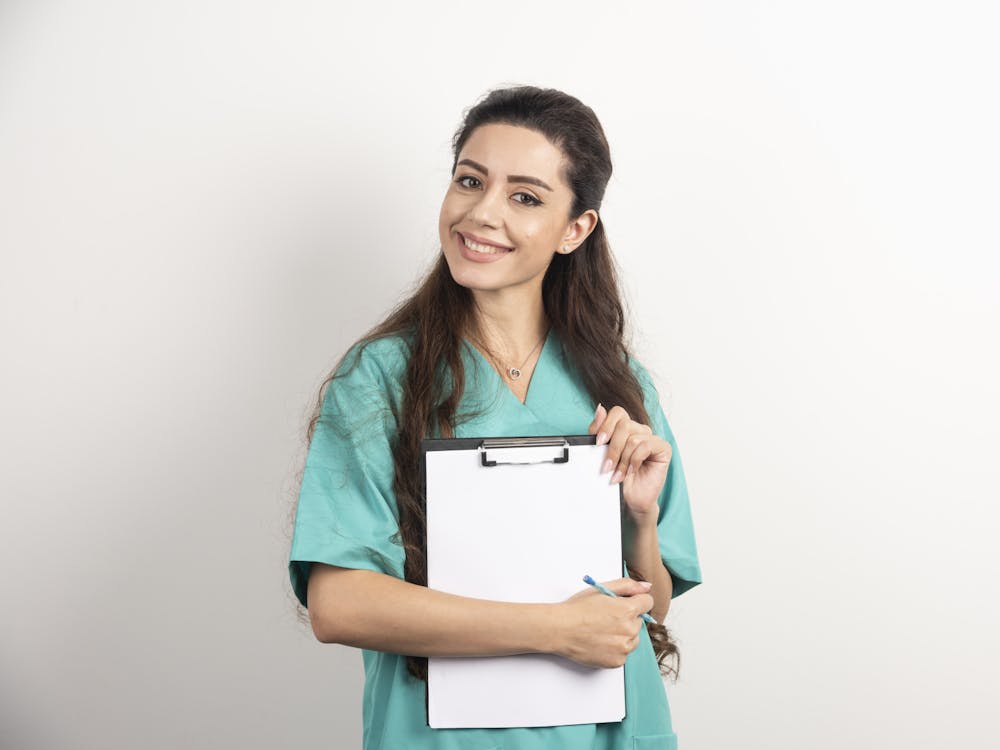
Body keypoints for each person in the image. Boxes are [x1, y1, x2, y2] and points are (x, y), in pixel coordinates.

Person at [288, 85, 702, 749]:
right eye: (469, 181)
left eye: (525, 196)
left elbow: (647, 604)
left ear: (576, 229)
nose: (480, 213)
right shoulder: (382, 380)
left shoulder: (621, 385)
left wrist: (643, 517)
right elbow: (338, 605)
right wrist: (553, 628)